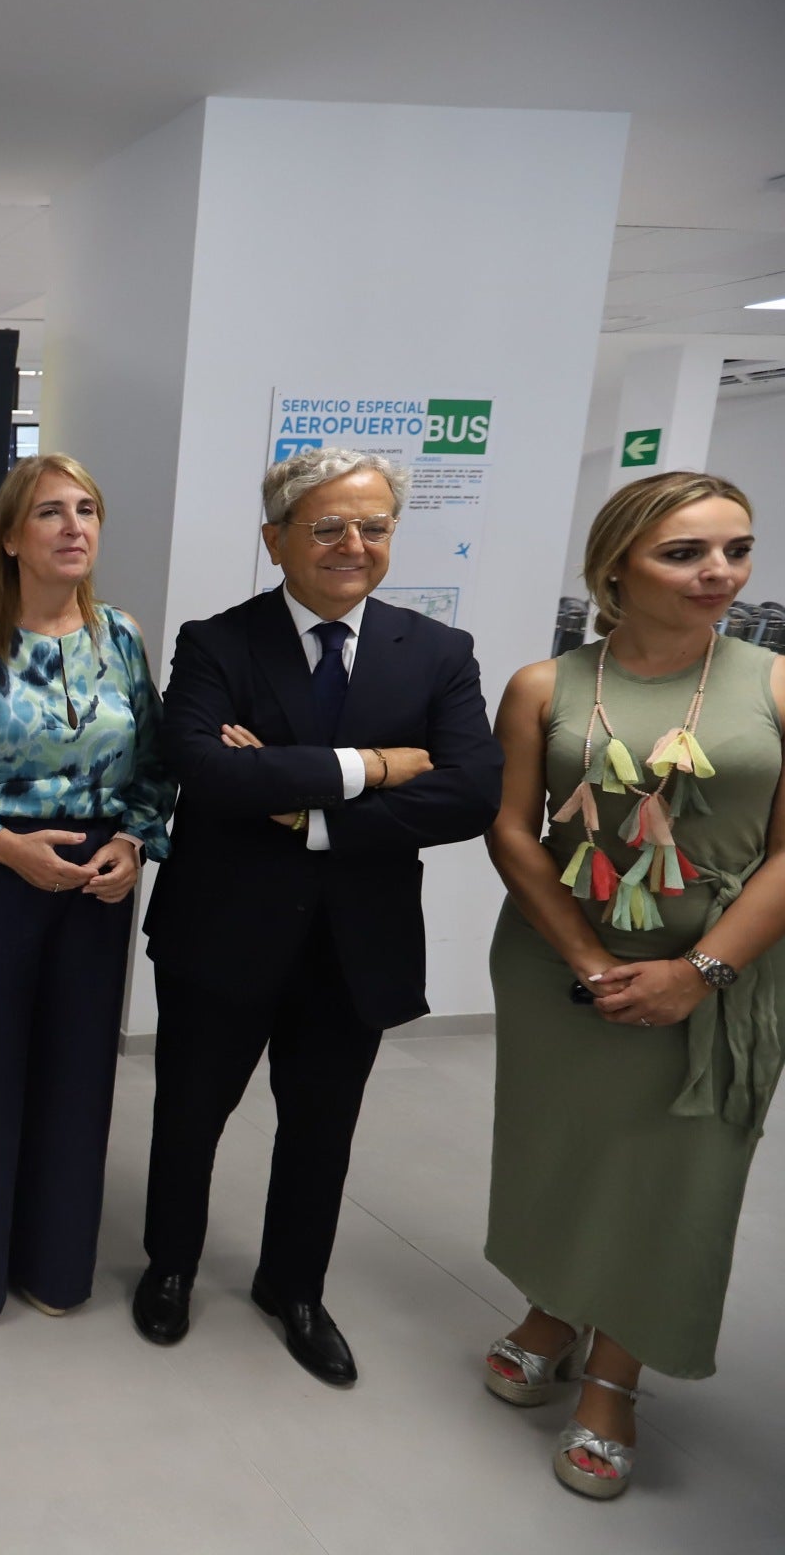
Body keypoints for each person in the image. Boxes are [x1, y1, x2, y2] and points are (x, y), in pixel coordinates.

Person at [133, 445, 500, 1386]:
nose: (354, 544)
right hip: (222, 931)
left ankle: (293, 1288)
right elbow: (206, 774)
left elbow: (470, 796)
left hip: (356, 942)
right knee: (188, 1115)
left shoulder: (438, 652)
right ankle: (169, 1266)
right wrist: (377, 765)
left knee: (322, 1126)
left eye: (374, 527)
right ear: (275, 538)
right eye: (329, 525)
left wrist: (302, 807)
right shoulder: (218, 642)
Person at [482, 471, 785, 1500]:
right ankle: (554, 1310)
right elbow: (514, 832)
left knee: (674, 1177)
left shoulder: (778, 683)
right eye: (687, 553)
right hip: (561, 965)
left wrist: (701, 972)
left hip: (719, 973)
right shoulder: (545, 685)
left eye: (736, 550)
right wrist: (589, 959)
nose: (721, 573)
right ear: (617, 565)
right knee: (560, 1148)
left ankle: (616, 1373)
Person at [0, 454, 175, 1325]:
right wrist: (4, 848)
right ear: (13, 537)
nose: (73, 527)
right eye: (51, 512)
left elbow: (159, 769)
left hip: (94, 890)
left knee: (75, 1082)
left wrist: (134, 843)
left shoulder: (123, 639)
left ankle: (55, 1265)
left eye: (87, 510)